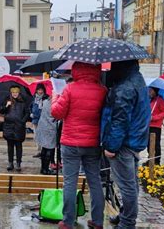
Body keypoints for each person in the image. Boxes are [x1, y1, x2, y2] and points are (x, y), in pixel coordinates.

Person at [51, 62, 107, 229]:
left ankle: (68, 221)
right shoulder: (103, 90)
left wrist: (56, 97)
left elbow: (56, 113)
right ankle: (97, 221)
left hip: (70, 142)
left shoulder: (70, 89)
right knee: (95, 181)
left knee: (70, 182)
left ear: (76, 70)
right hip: (93, 143)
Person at [101, 60, 151, 229]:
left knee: (127, 185)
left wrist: (111, 147)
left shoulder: (125, 88)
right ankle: (125, 215)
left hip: (123, 144)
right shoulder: (137, 79)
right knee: (131, 183)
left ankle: (127, 222)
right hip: (134, 140)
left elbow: (119, 120)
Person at [0, 86, 30, 172]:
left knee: (19, 146)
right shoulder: (7, 101)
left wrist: (22, 121)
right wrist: (6, 106)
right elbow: (1, 111)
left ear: (19, 93)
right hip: (9, 126)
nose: (15, 94)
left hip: (19, 127)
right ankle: (10, 162)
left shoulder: (23, 102)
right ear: (11, 93)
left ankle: (18, 163)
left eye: (16, 92)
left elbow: (27, 113)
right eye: (13, 92)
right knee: (10, 146)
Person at [35, 95, 57, 175]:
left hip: (42, 127)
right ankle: (46, 169)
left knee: (44, 148)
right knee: (50, 149)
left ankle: (43, 168)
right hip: (50, 128)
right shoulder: (55, 104)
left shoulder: (45, 102)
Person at [147, 87, 164, 165]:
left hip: (156, 126)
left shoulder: (160, 100)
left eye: (151, 90)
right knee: (148, 144)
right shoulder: (149, 100)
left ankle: (157, 161)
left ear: (155, 91)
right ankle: (150, 159)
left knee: (156, 145)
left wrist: (154, 118)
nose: (149, 92)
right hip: (148, 125)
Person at [30, 83, 49, 158]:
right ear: (36, 90)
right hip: (35, 120)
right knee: (37, 136)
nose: (40, 91)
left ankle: (43, 151)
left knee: (44, 136)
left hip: (44, 120)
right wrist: (31, 113)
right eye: (39, 90)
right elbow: (30, 107)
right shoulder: (34, 97)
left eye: (41, 90)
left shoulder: (46, 97)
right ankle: (39, 151)